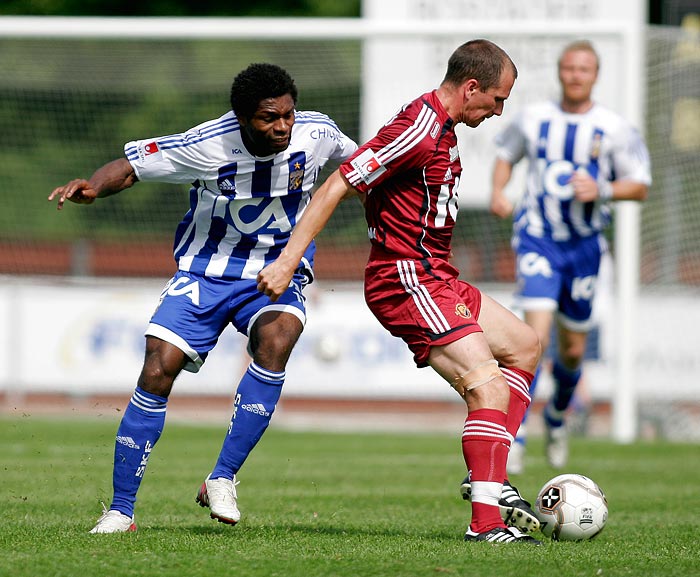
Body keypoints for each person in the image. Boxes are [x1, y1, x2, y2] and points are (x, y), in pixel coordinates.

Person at [48, 63, 358, 533]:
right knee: (157, 367)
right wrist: (93, 186)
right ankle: (121, 510)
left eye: (287, 115)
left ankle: (222, 477)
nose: (282, 126)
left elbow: (363, 165)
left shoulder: (316, 133)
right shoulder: (206, 144)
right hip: (205, 270)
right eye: (268, 118)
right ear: (241, 118)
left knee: (279, 337)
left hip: (275, 270)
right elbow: (130, 168)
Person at [257, 39, 543, 544]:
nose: (499, 112)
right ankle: (487, 523)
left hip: (437, 276)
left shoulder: (443, 128)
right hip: (404, 277)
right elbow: (337, 185)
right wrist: (287, 260)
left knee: (524, 345)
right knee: (489, 388)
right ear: (472, 87)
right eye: (498, 100)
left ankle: (488, 480)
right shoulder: (419, 128)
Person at [488, 40, 651, 471]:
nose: (576, 75)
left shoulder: (614, 128)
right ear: (560, 72)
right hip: (538, 240)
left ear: (595, 75)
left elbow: (640, 185)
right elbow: (505, 155)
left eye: (584, 69)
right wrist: (499, 191)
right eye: (569, 68)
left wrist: (604, 189)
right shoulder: (534, 119)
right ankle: (516, 435)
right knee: (532, 339)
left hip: (584, 250)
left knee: (573, 352)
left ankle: (557, 417)